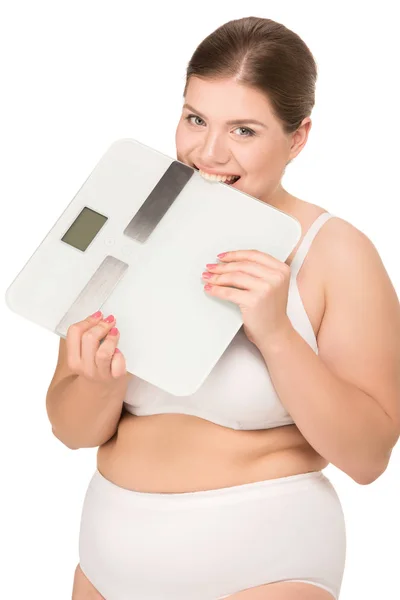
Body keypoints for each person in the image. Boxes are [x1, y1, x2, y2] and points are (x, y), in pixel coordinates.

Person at [46, 16, 400, 600]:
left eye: (243, 130)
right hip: (104, 568)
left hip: (263, 568)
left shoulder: (335, 252)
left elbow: (368, 457)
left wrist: (277, 334)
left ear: (298, 137)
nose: (207, 152)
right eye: (195, 119)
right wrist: (99, 382)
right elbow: (71, 429)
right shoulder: (127, 225)